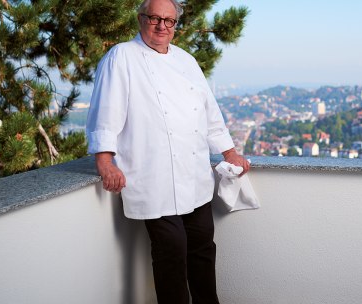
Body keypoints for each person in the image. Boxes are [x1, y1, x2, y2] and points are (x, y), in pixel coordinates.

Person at [85, 0, 250, 302]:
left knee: (202, 249)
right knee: (171, 253)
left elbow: (209, 113)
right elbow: (106, 112)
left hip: (194, 175)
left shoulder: (186, 60)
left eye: (169, 20)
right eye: (154, 18)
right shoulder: (122, 56)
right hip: (153, 177)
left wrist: (229, 153)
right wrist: (105, 162)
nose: (162, 26)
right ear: (140, 19)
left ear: (176, 25)